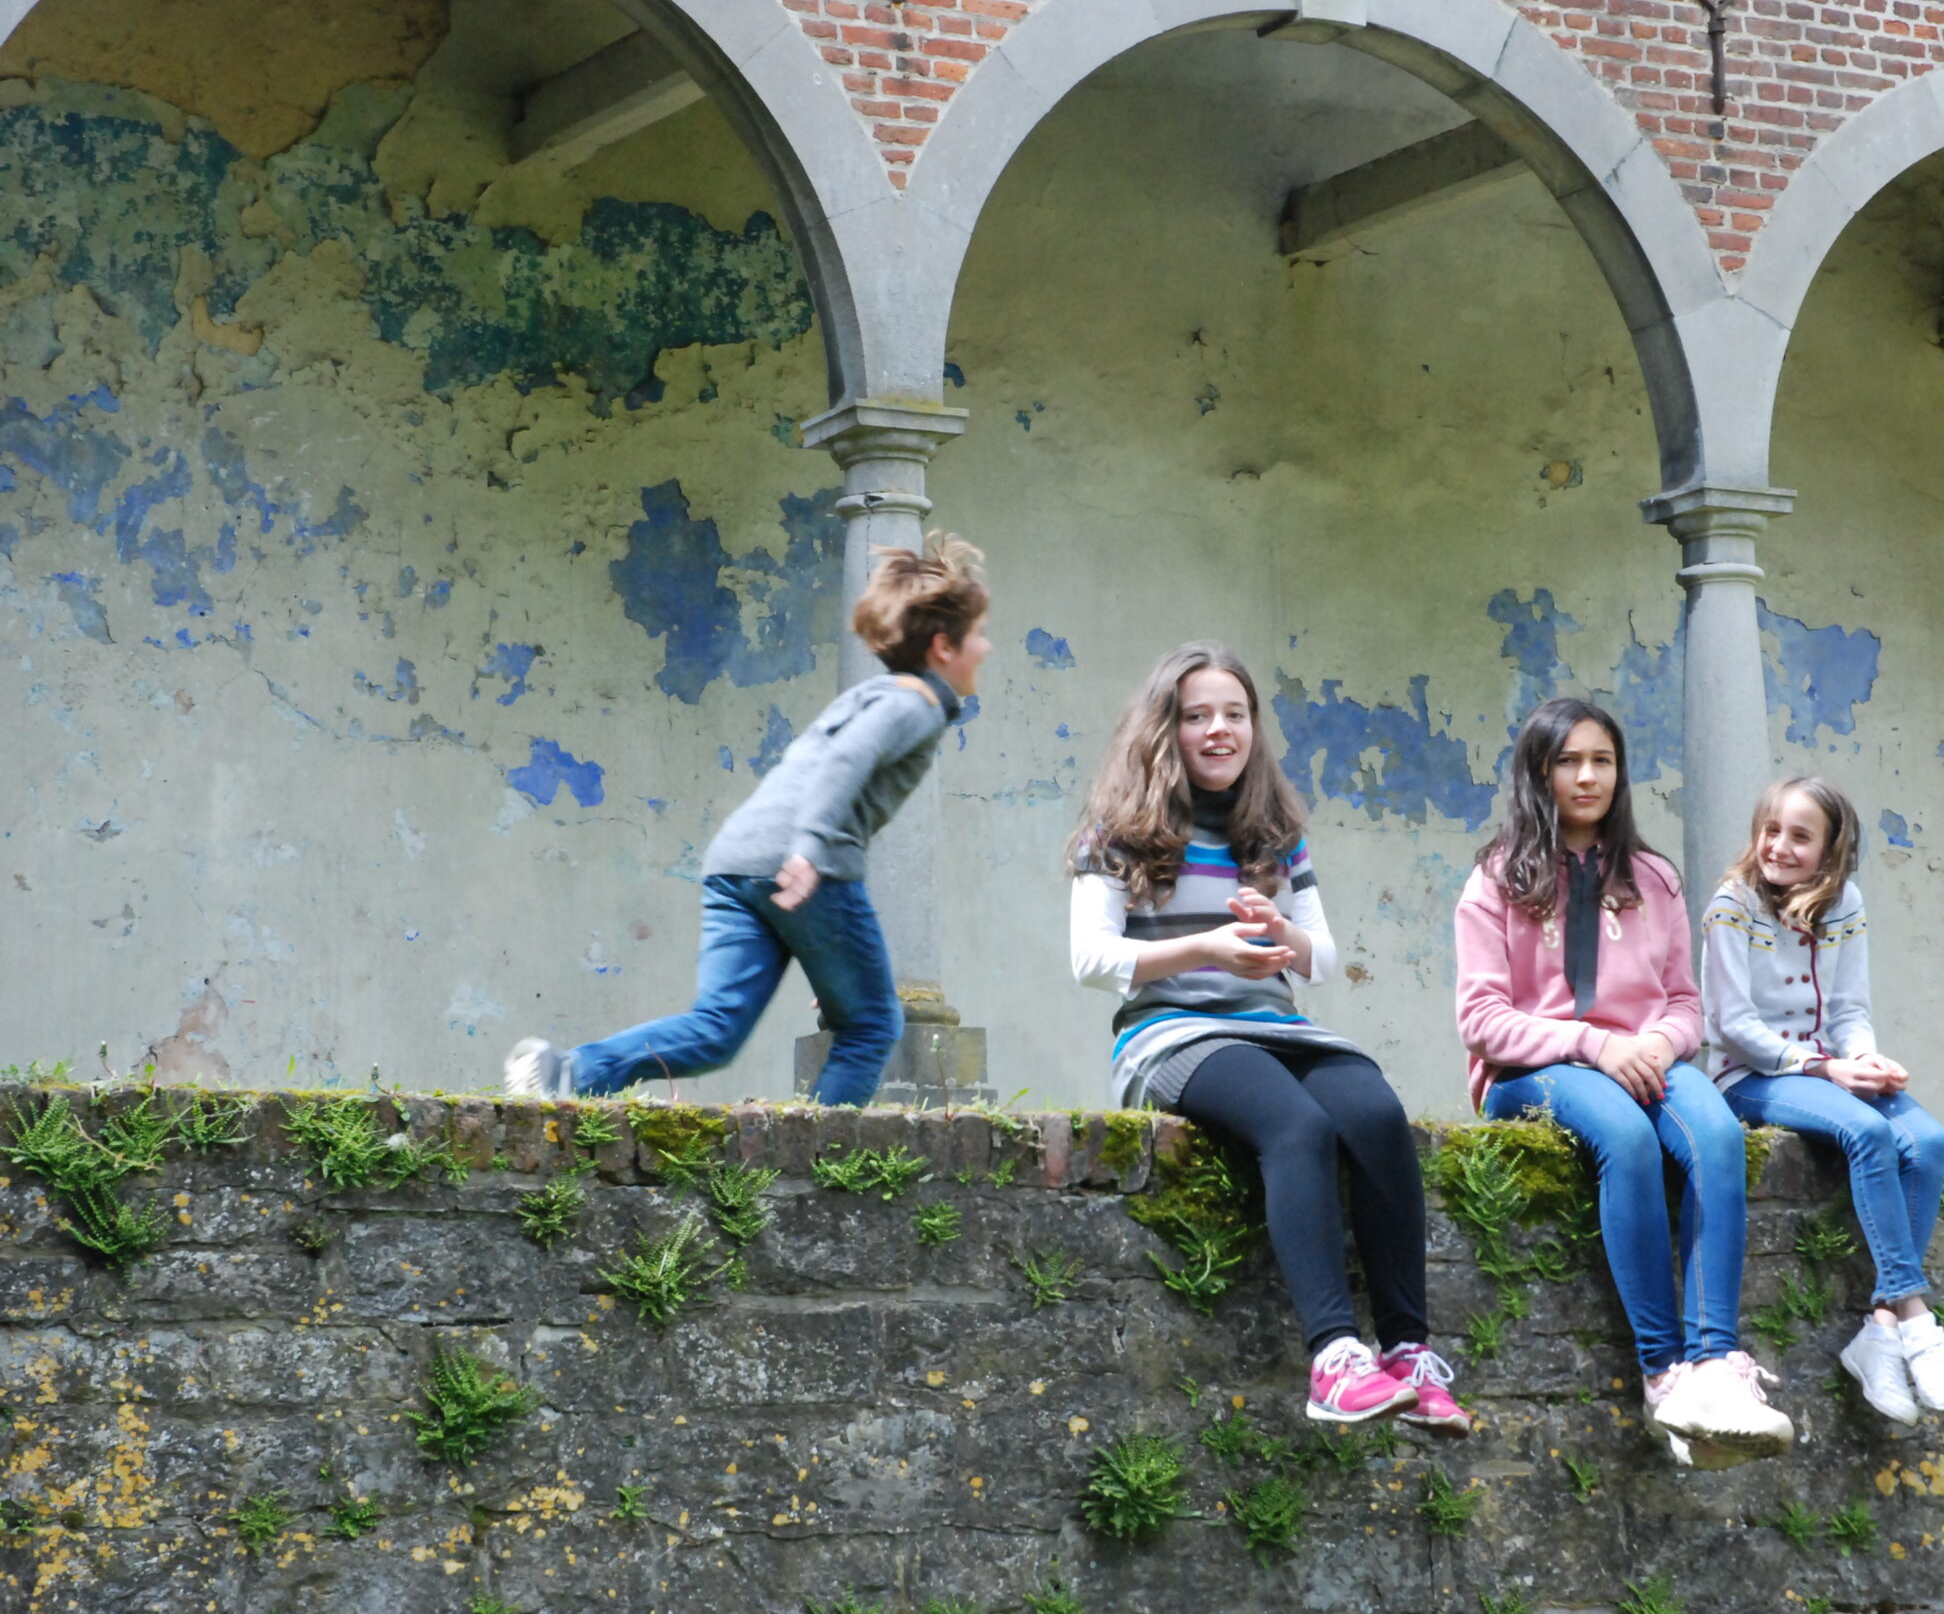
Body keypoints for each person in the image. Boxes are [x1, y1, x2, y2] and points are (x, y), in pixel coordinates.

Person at [1068, 642, 1466, 1437]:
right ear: (1165, 729)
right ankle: (1335, 1360)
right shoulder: (1116, 832)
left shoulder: (1277, 833)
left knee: (1377, 1116)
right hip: (1169, 1032)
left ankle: (1406, 1353)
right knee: (1297, 1126)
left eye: (1235, 714)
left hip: (1277, 1026)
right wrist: (1208, 949)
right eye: (1198, 716)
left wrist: (1282, 933)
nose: (1220, 730)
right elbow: (1091, 960)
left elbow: (1323, 961)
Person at [502, 535, 992, 1106]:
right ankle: (820, 1152)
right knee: (872, 1025)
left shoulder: (872, 697)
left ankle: (566, 1072)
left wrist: (831, 957)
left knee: (717, 1029)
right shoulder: (915, 705)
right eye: (978, 634)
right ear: (943, 647)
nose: (985, 647)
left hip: (736, 859)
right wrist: (809, 850)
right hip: (803, 864)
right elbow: (845, 761)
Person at [1455, 698, 1793, 1466]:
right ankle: (1664, 1374)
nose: (1588, 776)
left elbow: (1684, 1003)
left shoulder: (1653, 878)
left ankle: (1715, 1366)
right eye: (1569, 761)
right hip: (1532, 1071)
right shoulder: (1495, 879)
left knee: (1715, 1134)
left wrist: (1653, 1043)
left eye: (1602, 761)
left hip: (1645, 1058)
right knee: (1626, 1138)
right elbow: (1482, 1019)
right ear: (1538, 772)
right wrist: (1592, 1045)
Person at [1702, 776, 1944, 1424]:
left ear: (1831, 849)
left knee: (1929, 1141)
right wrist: (1824, 1067)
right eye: (1771, 830)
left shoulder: (1845, 902)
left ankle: (1880, 1331)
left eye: (1800, 836)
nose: (1779, 846)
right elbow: (1732, 1025)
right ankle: (1915, 1318)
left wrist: (1865, 1060)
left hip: (1830, 1070)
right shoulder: (1732, 904)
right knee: (1869, 1134)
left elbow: (1850, 1009)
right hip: (1752, 1076)